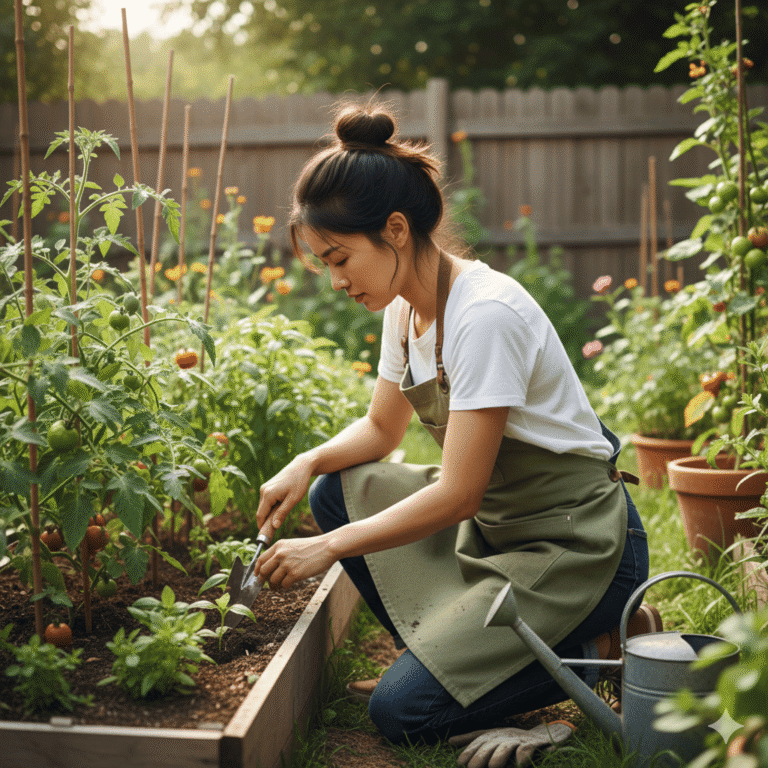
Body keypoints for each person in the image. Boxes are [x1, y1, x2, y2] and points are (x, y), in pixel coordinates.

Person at [253, 102, 656, 747]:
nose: (335, 281)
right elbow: (380, 431)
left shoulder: (484, 315)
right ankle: (445, 661)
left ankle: (603, 644)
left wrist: (328, 547)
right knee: (335, 489)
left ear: (394, 230)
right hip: (496, 529)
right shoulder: (404, 308)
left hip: (577, 547)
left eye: (339, 258)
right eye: (325, 264)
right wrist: (306, 463)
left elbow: (459, 493)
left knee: (401, 715)